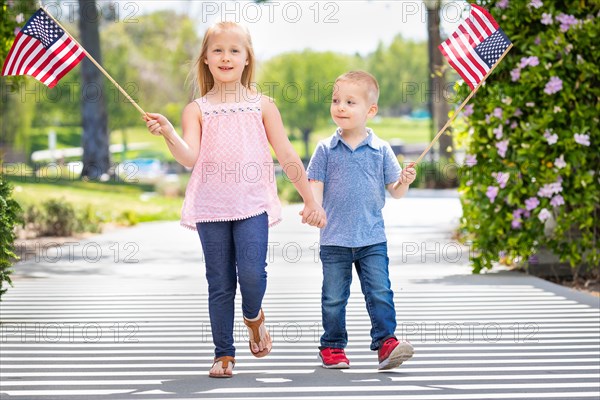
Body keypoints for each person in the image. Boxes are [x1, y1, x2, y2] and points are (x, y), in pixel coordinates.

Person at [144, 21, 326, 378]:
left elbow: (287, 153)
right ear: (206, 60)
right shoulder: (196, 109)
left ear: (246, 59)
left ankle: (254, 317)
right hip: (211, 207)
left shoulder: (263, 105)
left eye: (234, 51)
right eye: (217, 51)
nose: (225, 57)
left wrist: (310, 200)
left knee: (253, 275)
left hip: (252, 203)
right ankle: (223, 353)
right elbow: (189, 157)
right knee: (220, 281)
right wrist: (167, 132)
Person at [306, 71, 416, 370]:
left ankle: (386, 342)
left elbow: (396, 191)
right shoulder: (325, 149)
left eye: (350, 102)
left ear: (370, 110)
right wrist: (313, 207)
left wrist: (404, 180)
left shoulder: (381, 150)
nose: (340, 107)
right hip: (335, 239)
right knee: (333, 297)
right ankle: (332, 346)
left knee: (380, 291)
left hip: (371, 238)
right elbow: (314, 184)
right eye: (336, 100)